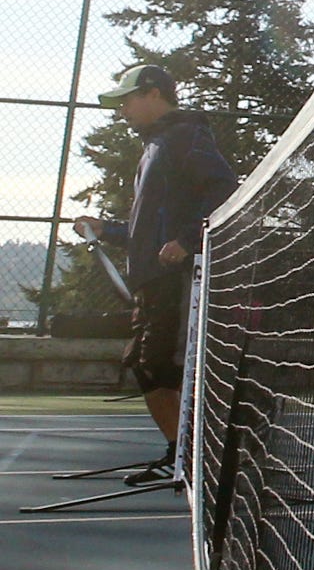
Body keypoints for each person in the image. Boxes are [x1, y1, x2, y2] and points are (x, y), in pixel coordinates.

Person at [69, 65, 240, 486]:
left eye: (128, 99)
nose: (122, 109)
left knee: (163, 366)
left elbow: (224, 190)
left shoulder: (185, 136)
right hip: (152, 283)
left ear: (155, 94)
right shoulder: (155, 147)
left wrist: (187, 240)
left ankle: (196, 461)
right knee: (149, 367)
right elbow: (147, 232)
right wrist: (105, 229)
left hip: (176, 280)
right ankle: (183, 454)